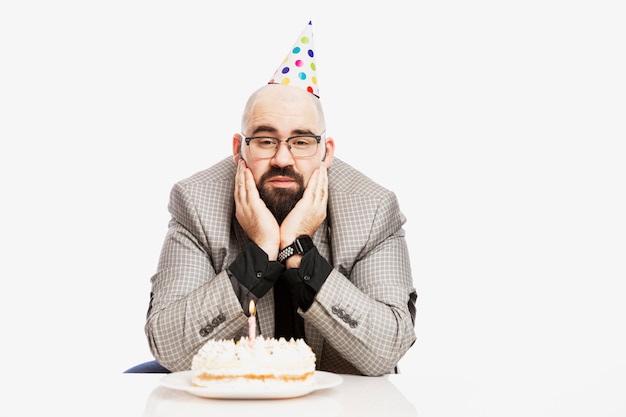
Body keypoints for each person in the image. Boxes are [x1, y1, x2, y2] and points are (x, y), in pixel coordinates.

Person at [144, 21, 417, 376]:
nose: (283, 159)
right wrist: (259, 257)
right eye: (265, 140)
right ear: (238, 149)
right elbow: (168, 348)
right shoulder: (197, 201)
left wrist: (300, 256)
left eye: (301, 141)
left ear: (326, 152)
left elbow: (387, 350)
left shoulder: (372, 208)